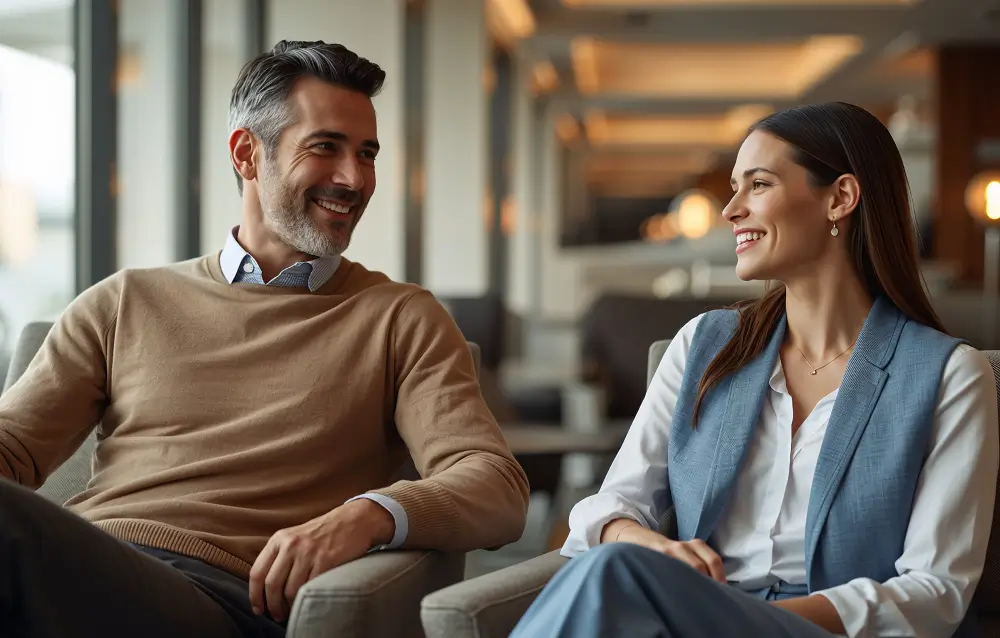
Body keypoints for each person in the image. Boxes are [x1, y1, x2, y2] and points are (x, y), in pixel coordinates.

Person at [0, 40, 529, 638]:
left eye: (367, 153)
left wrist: (369, 514)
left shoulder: (399, 318)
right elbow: (12, 446)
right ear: (247, 154)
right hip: (86, 568)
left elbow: (496, 484)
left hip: (225, 598)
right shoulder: (124, 301)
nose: (354, 178)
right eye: (325, 147)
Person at [509, 102, 998, 638]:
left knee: (613, 575)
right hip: (694, 616)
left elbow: (934, 592)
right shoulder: (703, 347)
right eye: (734, 187)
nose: (730, 210)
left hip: (819, 630)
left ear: (840, 198)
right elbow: (607, 508)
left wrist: (734, 622)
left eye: (758, 185)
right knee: (614, 565)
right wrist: (653, 550)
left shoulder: (952, 376)